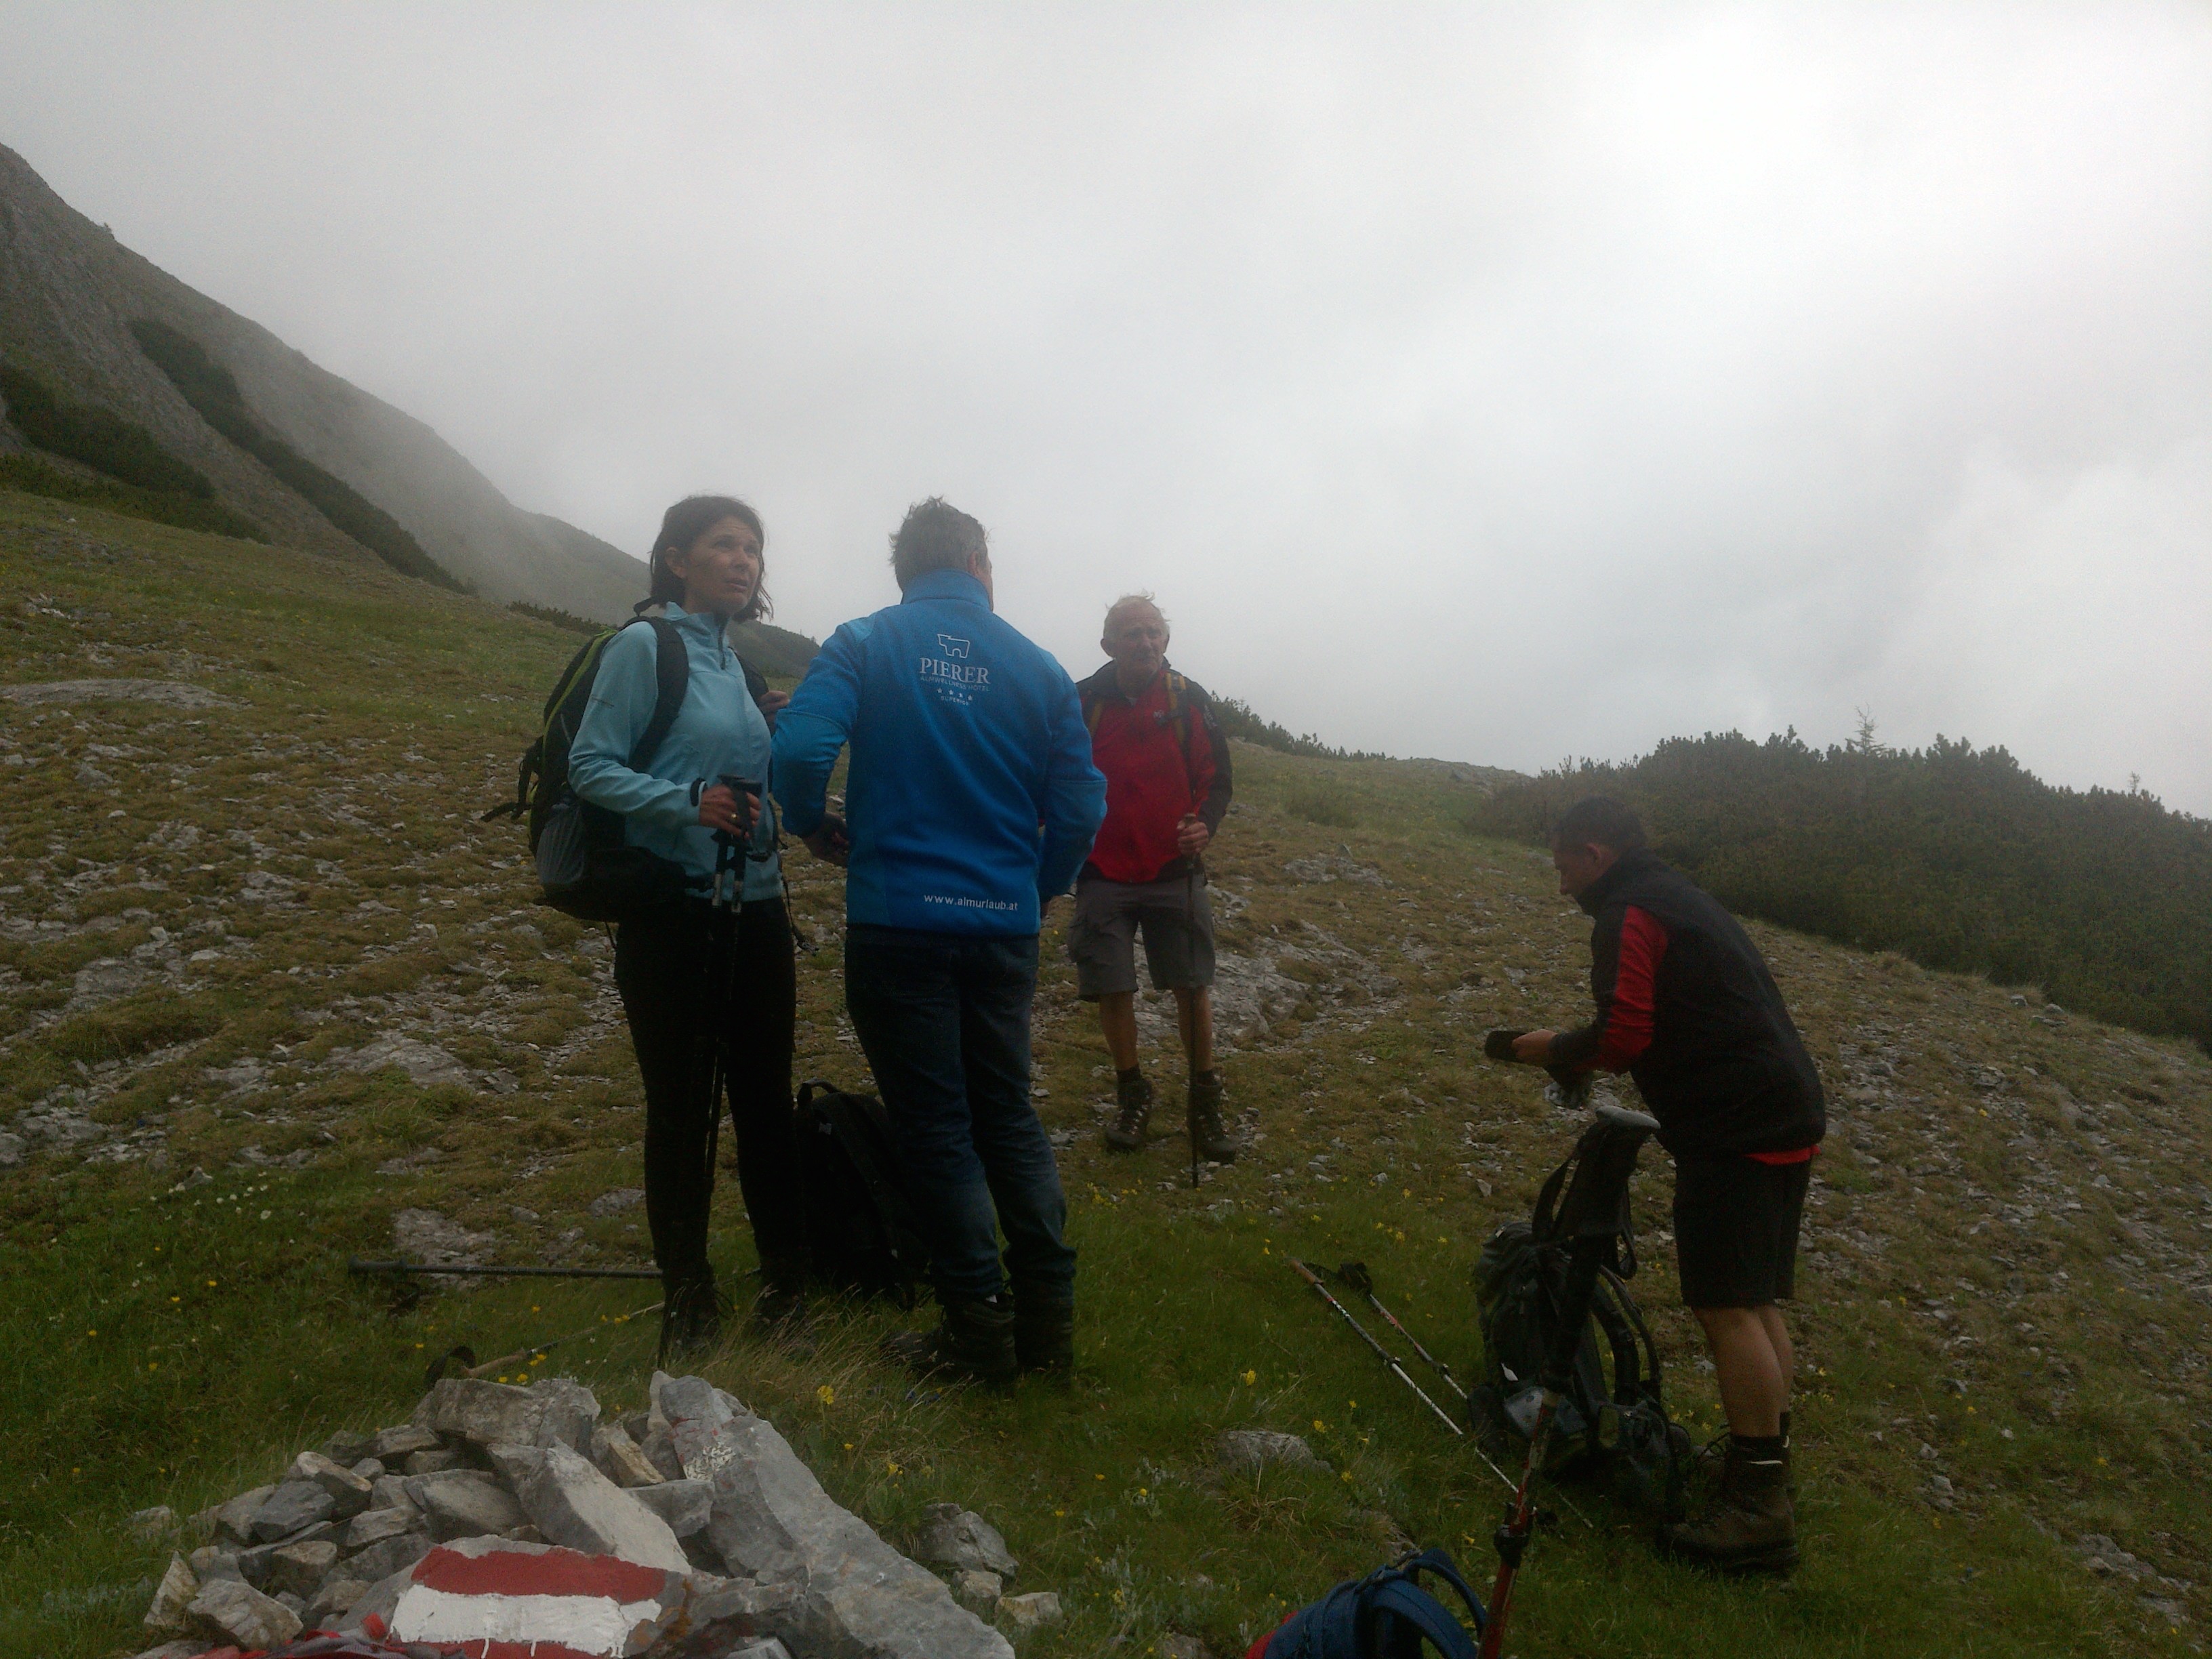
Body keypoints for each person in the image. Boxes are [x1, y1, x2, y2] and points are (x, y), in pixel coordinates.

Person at [773, 497, 1106, 1383]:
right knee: (1008, 1114)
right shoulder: (1040, 669)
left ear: (905, 571)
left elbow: (799, 754)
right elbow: (1082, 806)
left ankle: (975, 1332)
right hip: (1002, 928)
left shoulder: (865, 641)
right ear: (979, 563)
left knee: (935, 1127)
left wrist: (809, 824)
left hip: (899, 922)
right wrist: (1036, 887)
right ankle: (1048, 1328)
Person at [1507, 796, 1824, 1574]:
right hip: (1784, 1108)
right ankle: (1763, 1472)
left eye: (1564, 868)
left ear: (1596, 855)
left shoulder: (1630, 913)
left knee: (1726, 1308)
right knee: (1755, 1301)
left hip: (1737, 1127)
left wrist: (1548, 1049)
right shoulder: (1675, 893)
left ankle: (1758, 1514)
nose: (1561, 886)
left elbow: (1623, 1037)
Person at [569, 495, 804, 1359]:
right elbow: (590, 765)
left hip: (758, 909)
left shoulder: (737, 665)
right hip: (671, 912)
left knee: (765, 1102)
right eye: (724, 546)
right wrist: (687, 802)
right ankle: (688, 1294)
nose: (744, 561)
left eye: (753, 548)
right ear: (676, 560)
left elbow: (742, 786)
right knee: (680, 1106)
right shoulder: (644, 646)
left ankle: (787, 1285)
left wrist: (765, 791)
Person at [1071, 594, 1237, 1161]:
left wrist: (1204, 825)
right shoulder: (1083, 701)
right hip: (1102, 870)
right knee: (1111, 986)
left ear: (1166, 639)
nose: (1144, 643)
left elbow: (1217, 779)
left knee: (1192, 985)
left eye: (1153, 632)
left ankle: (1204, 1097)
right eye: (1131, 633)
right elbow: (1057, 772)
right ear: (1108, 645)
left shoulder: (1188, 698)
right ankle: (1132, 1092)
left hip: (1173, 868)